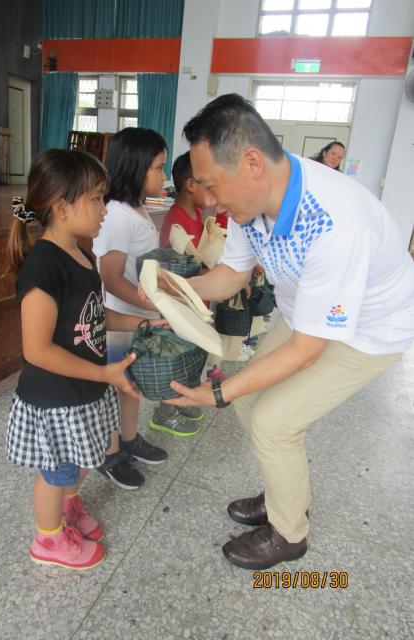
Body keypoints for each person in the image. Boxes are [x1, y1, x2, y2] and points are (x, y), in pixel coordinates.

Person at [161, 93, 414, 570]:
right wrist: (178, 292)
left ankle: (290, 533)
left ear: (252, 163)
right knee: (251, 403)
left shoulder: (335, 223)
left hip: (370, 331)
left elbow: (305, 351)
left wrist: (218, 393)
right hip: (307, 316)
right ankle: (286, 493)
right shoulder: (250, 202)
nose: (209, 200)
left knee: (274, 422)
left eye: (212, 186)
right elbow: (231, 274)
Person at [6, 149, 163, 570]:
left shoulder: (81, 254)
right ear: (61, 207)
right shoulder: (43, 268)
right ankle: (48, 539)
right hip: (55, 398)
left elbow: (95, 314)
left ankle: (68, 508)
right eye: (95, 199)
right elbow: (37, 350)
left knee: (79, 459)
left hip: (83, 389)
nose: (104, 209)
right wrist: (102, 371)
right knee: (56, 472)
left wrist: (141, 322)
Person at [93, 129, 198, 492]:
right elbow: (110, 279)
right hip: (118, 320)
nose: (163, 175)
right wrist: (154, 305)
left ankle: (129, 438)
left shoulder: (137, 209)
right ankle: (110, 454)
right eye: (157, 167)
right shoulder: (117, 215)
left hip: (137, 316)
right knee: (116, 386)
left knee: (132, 383)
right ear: (135, 168)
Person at [159, 151, 214, 249]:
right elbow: (172, 257)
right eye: (209, 186)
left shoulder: (196, 211)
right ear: (191, 185)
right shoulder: (176, 221)